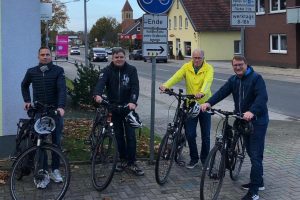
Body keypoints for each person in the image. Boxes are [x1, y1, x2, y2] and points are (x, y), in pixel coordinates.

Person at [201, 55, 268, 200]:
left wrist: (252, 111)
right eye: (235, 65)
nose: (237, 67)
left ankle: (254, 191)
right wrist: (208, 103)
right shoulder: (233, 80)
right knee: (250, 152)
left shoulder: (256, 78)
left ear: (246, 64)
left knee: (256, 155)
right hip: (241, 119)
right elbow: (221, 92)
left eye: (240, 65)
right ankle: (259, 181)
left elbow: (262, 98)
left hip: (257, 121)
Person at [159, 49, 214, 169]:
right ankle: (194, 158)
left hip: (204, 105)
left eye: (199, 58)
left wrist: (202, 92)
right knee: (190, 134)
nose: (197, 60)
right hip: (190, 104)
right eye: (195, 58)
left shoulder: (209, 68)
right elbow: (176, 77)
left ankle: (205, 160)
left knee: (206, 135)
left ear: (203, 58)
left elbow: (207, 82)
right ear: (192, 58)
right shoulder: (187, 66)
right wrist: (166, 85)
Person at [93, 47, 144, 176]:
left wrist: (133, 101)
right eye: (116, 57)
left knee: (131, 136)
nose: (119, 59)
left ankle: (132, 162)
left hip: (128, 108)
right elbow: (100, 83)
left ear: (124, 57)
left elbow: (135, 87)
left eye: (121, 57)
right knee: (118, 136)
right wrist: (97, 94)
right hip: (113, 107)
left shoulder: (131, 70)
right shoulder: (107, 71)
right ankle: (122, 160)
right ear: (112, 58)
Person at [21, 46, 67, 188]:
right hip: (39, 112)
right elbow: (24, 85)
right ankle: (42, 171)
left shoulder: (58, 71)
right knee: (40, 142)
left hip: (55, 112)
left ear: (51, 56)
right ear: (38, 56)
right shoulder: (32, 72)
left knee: (56, 142)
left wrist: (60, 106)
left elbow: (62, 89)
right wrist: (27, 101)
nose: (45, 57)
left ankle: (54, 170)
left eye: (47, 54)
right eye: (42, 54)